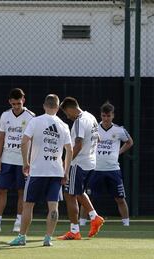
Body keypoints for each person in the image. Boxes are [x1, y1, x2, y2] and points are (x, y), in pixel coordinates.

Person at [9, 94, 73, 246]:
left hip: (37, 171)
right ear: (57, 108)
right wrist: (66, 171)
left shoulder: (35, 121)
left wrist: (25, 162)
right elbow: (69, 150)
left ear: (44, 106)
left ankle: (22, 237)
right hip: (56, 171)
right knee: (53, 206)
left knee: (28, 205)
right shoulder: (64, 125)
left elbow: (24, 142)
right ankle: (48, 238)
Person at [0, 88, 35, 233]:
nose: (16, 106)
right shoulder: (5, 116)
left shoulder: (31, 117)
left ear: (23, 100)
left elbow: (34, 141)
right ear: (9, 102)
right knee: (0, 190)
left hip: (22, 161)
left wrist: (28, 161)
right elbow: (0, 138)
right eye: (14, 104)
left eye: (19, 103)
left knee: (21, 191)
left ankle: (18, 222)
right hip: (6, 159)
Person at [58, 97, 104, 240]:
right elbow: (99, 138)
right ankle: (94, 217)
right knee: (78, 192)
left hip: (78, 163)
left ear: (71, 108)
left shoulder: (79, 121)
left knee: (69, 195)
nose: (67, 116)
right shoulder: (91, 117)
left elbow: (78, 144)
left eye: (66, 113)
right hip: (91, 162)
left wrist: (67, 162)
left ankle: (74, 231)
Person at [81, 102, 133, 226]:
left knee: (120, 198)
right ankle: (81, 223)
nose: (106, 118)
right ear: (100, 115)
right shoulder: (94, 128)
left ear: (113, 116)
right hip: (95, 169)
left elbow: (130, 142)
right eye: (104, 116)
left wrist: (118, 153)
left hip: (113, 170)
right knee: (87, 198)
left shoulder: (119, 130)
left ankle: (126, 224)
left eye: (108, 116)